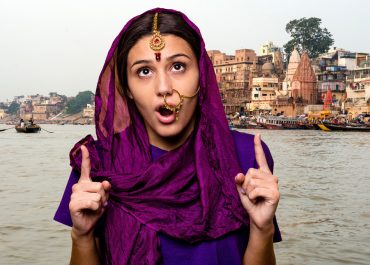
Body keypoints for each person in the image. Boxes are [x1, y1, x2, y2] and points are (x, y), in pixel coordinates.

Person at [54, 8, 281, 265]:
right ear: (127, 88)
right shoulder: (96, 165)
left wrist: (263, 229)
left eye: (178, 67)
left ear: (201, 76)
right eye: (144, 72)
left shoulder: (247, 155)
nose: (163, 88)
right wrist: (81, 235)